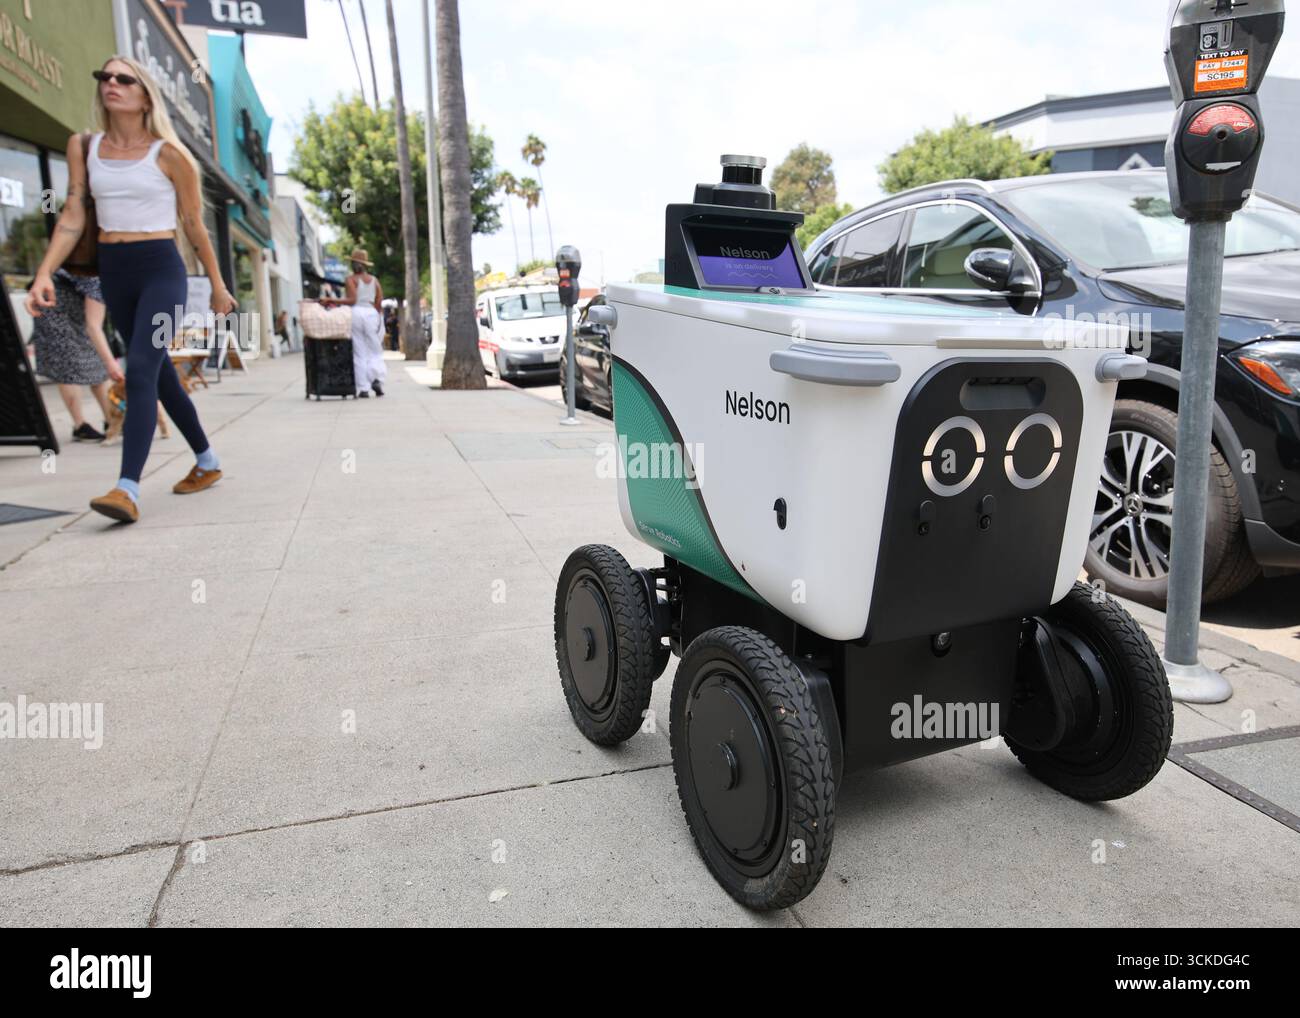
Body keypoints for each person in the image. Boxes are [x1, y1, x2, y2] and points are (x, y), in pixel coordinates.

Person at [24, 55, 237, 525]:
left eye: (124, 78)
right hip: (115, 272)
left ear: (145, 96)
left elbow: (194, 227)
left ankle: (127, 489)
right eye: (105, 76)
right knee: (156, 375)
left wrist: (219, 286)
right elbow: (73, 216)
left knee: (139, 368)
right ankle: (207, 461)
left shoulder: (169, 155)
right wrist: (43, 273)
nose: (111, 84)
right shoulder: (84, 145)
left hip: (162, 271)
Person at [29, 267, 123, 441]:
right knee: (68, 363)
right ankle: (80, 425)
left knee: (97, 363)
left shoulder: (104, 276)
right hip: (53, 305)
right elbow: (94, 327)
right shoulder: (98, 279)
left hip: (74, 302)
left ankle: (112, 420)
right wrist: (111, 362)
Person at [338, 248, 386, 398]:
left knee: (359, 351)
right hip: (371, 313)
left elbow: (352, 300)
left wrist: (331, 300)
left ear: (353, 264)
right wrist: (376, 316)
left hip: (356, 312)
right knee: (375, 349)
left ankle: (363, 388)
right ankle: (377, 378)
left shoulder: (351, 280)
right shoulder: (374, 280)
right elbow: (379, 301)